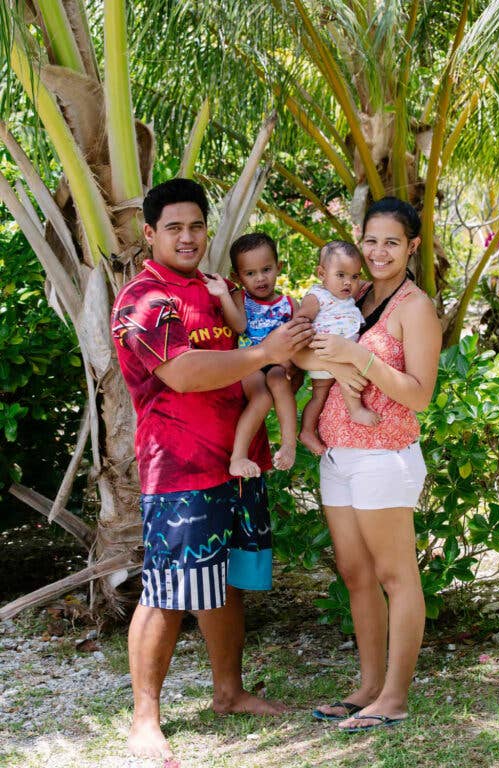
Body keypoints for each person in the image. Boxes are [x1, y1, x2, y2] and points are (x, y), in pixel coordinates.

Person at [110, 178, 314, 759]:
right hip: (179, 470)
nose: (187, 237)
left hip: (236, 462)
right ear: (149, 234)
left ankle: (229, 692)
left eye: (197, 226)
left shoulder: (217, 289)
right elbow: (186, 372)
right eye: (173, 228)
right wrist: (265, 353)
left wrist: (288, 362)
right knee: (167, 590)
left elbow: (259, 351)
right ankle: (145, 720)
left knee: (223, 580)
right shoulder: (145, 301)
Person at [305, 197, 442, 732]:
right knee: (356, 573)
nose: (379, 251)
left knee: (394, 575)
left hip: (384, 454)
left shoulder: (415, 307)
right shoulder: (349, 293)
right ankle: (366, 687)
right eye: (371, 241)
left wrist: (358, 357)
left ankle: (395, 696)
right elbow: (309, 351)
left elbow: (420, 393)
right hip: (338, 454)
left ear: (411, 246)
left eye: (391, 242)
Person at [207, 232, 300, 475]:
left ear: (278, 267)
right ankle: (238, 457)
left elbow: (301, 336)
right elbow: (238, 325)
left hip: (279, 363)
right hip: (249, 362)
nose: (260, 278)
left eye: (266, 269)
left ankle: (289, 444)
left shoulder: (289, 304)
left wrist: (294, 363)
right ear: (237, 277)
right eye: (250, 273)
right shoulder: (241, 297)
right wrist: (224, 296)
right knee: (262, 397)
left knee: (279, 382)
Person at [294, 240, 379, 458]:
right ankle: (355, 411)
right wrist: (310, 338)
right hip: (324, 353)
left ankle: (306, 431)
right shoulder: (318, 296)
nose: (348, 283)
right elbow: (301, 320)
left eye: (354, 277)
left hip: (337, 353)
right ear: (322, 273)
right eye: (340, 275)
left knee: (319, 396)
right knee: (342, 381)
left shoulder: (347, 298)